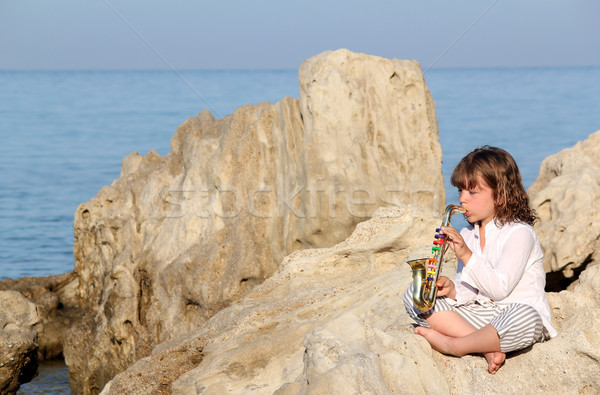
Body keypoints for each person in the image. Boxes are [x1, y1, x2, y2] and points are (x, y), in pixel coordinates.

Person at [403, 146, 557, 374]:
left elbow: (499, 289)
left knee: (526, 316)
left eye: (472, 193)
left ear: (501, 196)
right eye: (460, 191)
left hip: (513, 314)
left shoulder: (519, 233)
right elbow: (471, 292)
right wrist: (452, 289)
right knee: (415, 296)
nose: (463, 199)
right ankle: (484, 346)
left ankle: (456, 345)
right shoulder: (467, 233)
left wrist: (465, 254)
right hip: (481, 317)